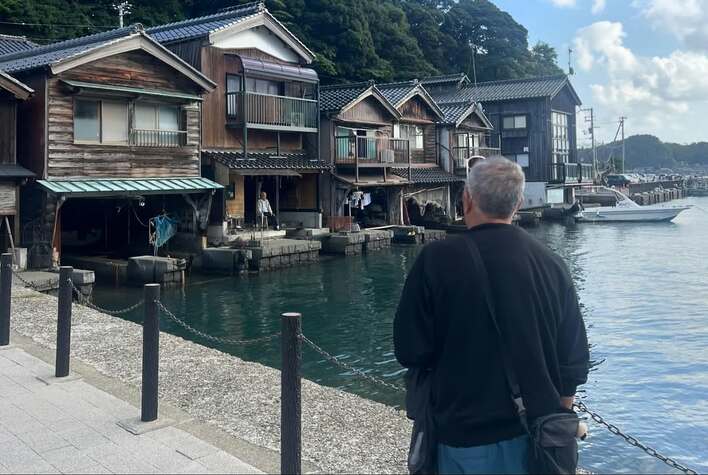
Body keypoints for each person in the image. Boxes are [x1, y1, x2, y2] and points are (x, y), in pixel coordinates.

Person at [394, 157, 589, 474]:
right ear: (518, 203)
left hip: (461, 435)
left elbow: (409, 349)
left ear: (467, 199)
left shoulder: (436, 260)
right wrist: (556, 419)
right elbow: (574, 359)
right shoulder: (552, 264)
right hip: (537, 440)